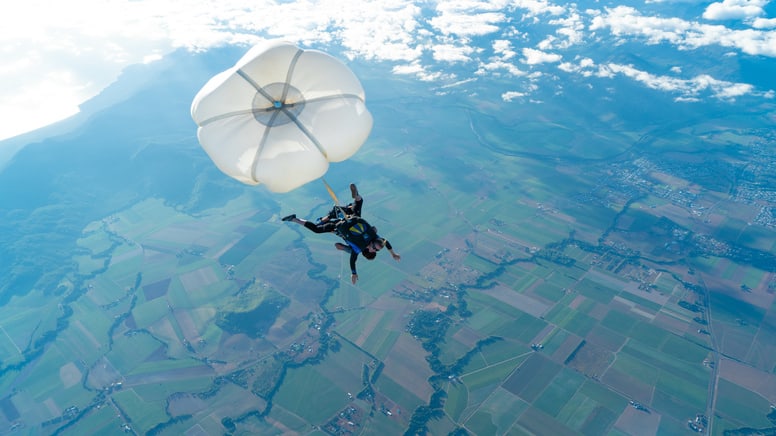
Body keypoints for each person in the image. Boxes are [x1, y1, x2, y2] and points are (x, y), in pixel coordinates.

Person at [282, 184, 400, 284]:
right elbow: (352, 259)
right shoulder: (358, 248)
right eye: (377, 249)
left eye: (376, 250)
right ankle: (294, 219)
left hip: (352, 217)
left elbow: (386, 242)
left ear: (371, 249)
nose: (376, 250)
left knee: (359, 202)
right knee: (317, 229)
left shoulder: (374, 238)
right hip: (338, 226)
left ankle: (355, 197)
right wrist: (353, 273)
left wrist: (393, 254)